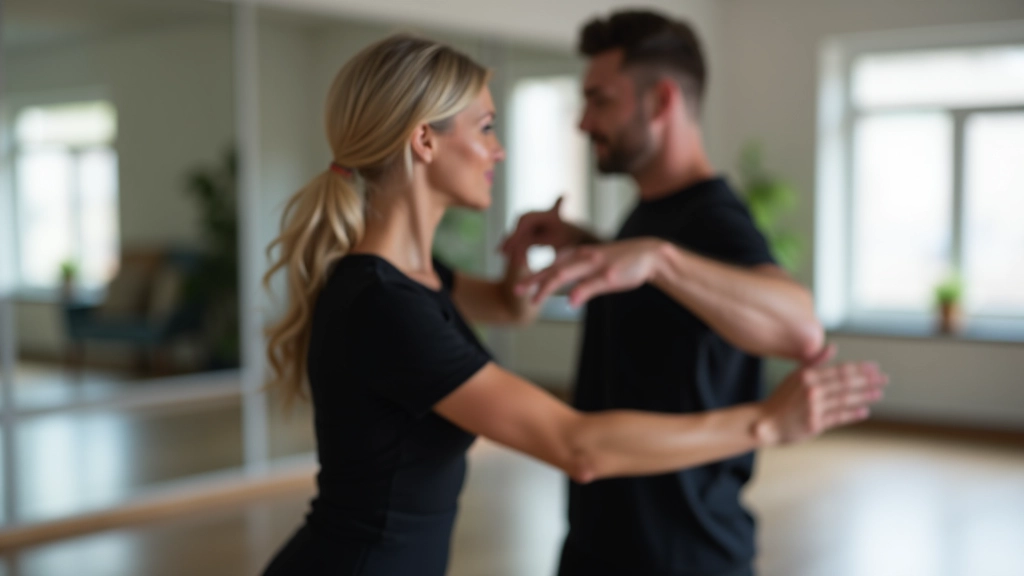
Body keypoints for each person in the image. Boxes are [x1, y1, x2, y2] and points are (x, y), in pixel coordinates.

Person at [260, 33, 887, 576]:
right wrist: (766, 423)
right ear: (424, 140)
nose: (499, 149)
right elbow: (576, 445)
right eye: (486, 127)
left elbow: (506, 306)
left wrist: (551, 254)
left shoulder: (413, 280)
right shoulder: (383, 302)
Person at [501, 11, 826, 576]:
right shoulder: (654, 211)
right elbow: (665, 307)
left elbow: (801, 327)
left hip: (683, 556)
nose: (583, 122)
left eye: (600, 101)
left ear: (661, 101)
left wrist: (660, 259)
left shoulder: (714, 218)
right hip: (600, 542)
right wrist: (589, 244)